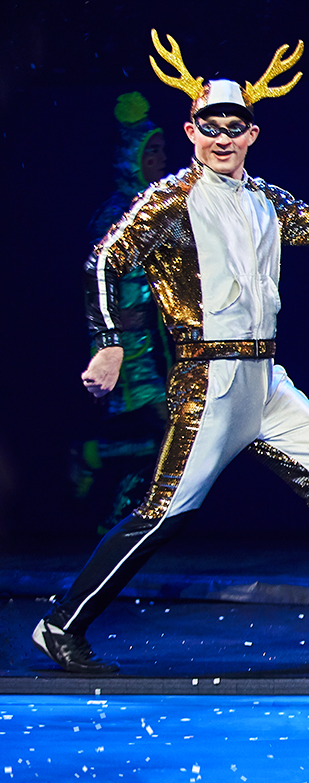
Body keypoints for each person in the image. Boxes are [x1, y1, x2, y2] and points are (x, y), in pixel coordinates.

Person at [32, 30, 309, 675]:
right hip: (207, 378)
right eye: (210, 126)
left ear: (253, 134)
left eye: (234, 127)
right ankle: (61, 624)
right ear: (190, 130)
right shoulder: (169, 200)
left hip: (267, 379)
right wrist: (109, 345)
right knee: (165, 515)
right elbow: (105, 261)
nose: (222, 137)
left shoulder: (268, 200)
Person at [70, 92, 172, 533]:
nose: (162, 158)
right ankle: (96, 457)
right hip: (129, 349)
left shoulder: (154, 205)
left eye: (163, 149)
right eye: (152, 151)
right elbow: (99, 279)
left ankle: (117, 522)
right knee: (167, 432)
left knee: (163, 439)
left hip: (155, 343)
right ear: (134, 157)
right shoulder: (117, 213)